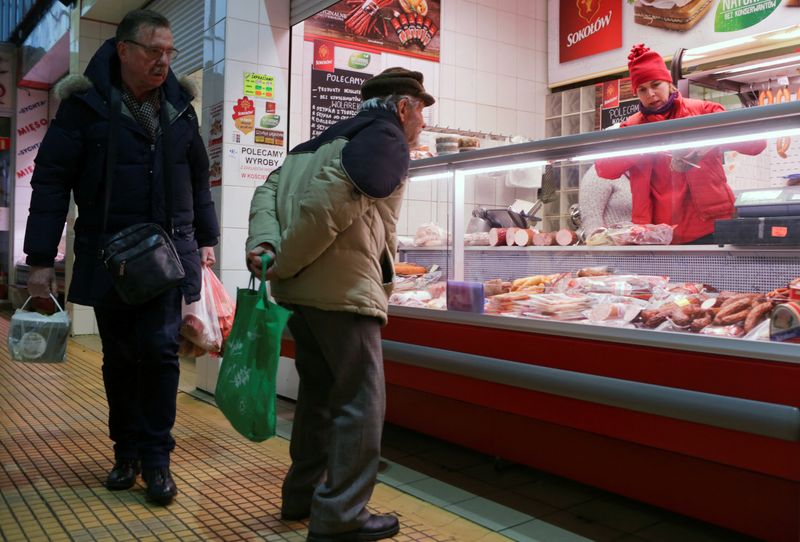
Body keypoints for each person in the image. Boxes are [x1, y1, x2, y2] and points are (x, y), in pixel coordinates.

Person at [24, 10, 219, 506]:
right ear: (123, 50)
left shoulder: (180, 108)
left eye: (170, 52)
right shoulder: (83, 105)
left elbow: (198, 180)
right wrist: (41, 258)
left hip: (169, 254)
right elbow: (50, 182)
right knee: (120, 357)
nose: (164, 61)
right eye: (154, 50)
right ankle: (125, 451)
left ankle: (157, 459)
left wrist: (206, 239)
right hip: (110, 254)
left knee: (158, 352)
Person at [245, 67, 433, 542]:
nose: (423, 126)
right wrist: (283, 259)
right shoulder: (385, 138)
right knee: (360, 403)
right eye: (422, 114)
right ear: (403, 107)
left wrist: (267, 247)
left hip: (302, 297)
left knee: (319, 398)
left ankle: (302, 495)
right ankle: (342, 515)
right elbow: (329, 207)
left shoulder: (316, 142)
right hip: (343, 294)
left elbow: (266, 190)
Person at [595, 43, 766, 244]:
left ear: (669, 83)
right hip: (658, 232)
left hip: (709, 225)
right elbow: (604, 169)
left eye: (655, 84)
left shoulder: (704, 111)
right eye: (642, 89)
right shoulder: (632, 127)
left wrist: (708, 141)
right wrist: (643, 144)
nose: (650, 94)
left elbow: (757, 144)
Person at [578, 164, 632, 235]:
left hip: (641, 243)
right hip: (612, 244)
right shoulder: (598, 172)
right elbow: (592, 224)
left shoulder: (640, 172)